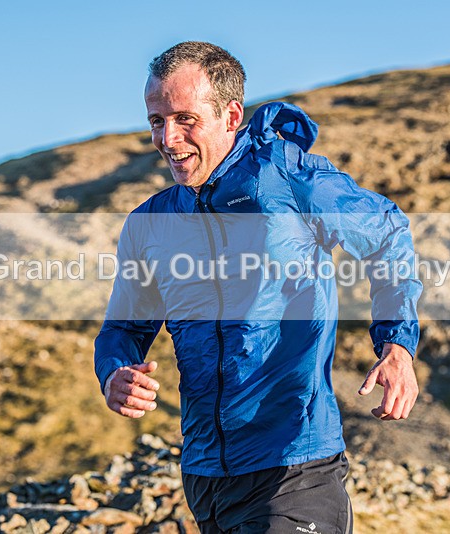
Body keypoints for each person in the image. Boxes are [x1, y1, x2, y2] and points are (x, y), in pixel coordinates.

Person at [94, 41, 422, 533]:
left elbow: (386, 232)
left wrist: (397, 344)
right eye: (156, 121)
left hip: (295, 463)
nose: (168, 137)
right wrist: (115, 373)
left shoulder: (288, 179)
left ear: (230, 115)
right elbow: (123, 328)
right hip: (206, 475)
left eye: (185, 119)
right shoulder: (150, 223)